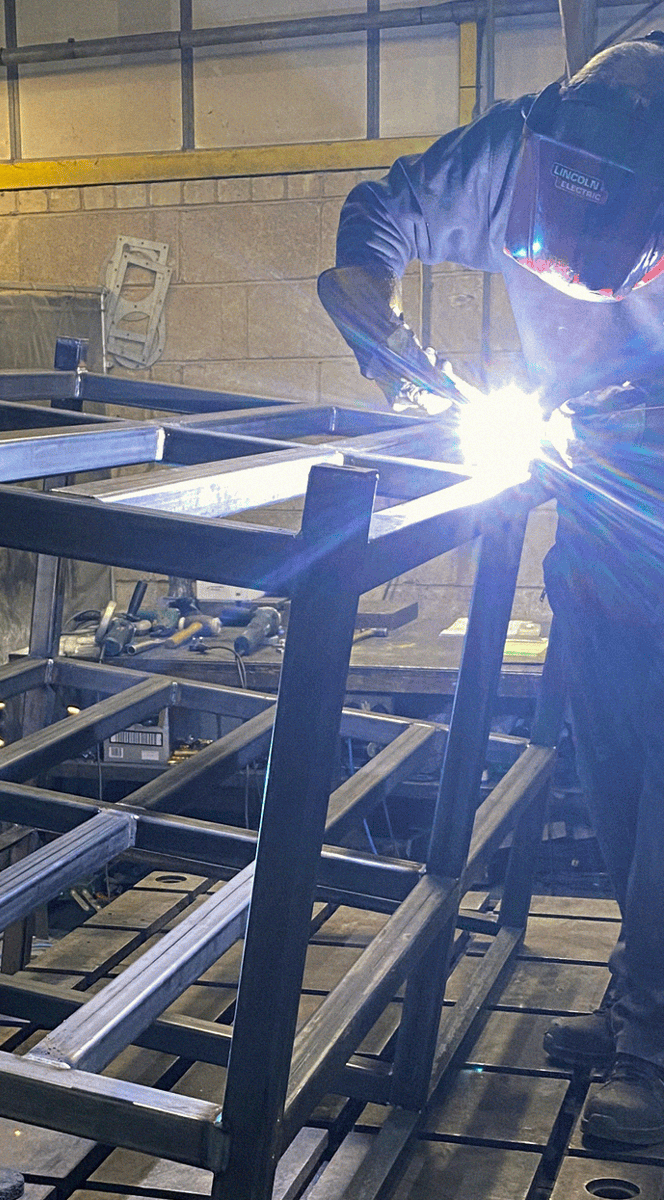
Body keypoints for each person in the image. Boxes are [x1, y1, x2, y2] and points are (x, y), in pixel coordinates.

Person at [319, 34, 664, 1145]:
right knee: (616, 777)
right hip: (604, 533)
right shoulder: (519, 145)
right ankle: (642, 995)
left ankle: (659, 1051)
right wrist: (376, 310)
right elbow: (385, 214)